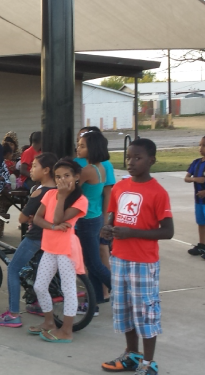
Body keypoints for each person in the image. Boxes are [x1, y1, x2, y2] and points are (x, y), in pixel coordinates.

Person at [100, 139, 173, 375]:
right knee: (124, 309)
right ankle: (132, 355)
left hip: (143, 263)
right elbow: (113, 216)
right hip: (119, 258)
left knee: (145, 311)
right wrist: (107, 229)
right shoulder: (121, 187)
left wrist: (133, 233)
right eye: (128, 157)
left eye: (137, 158)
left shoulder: (158, 192)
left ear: (151, 160)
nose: (131, 162)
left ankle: (149, 363)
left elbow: (168, 231)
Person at [0, 152, 58, 327]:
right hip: (50, 237)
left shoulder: (40, 192)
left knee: (13, 269)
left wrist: (28, 216)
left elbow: (22, 218)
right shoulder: (57, 190)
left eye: (35, 166)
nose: (31, 169)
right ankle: (37, 304)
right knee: (37, 270)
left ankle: (13, 313)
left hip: (35, 236)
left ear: (46, 170)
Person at [28, 159, 88, 344]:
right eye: (58, 177)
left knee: (68, 289)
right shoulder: (49, 194)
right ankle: (49, 322)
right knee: (39, 285)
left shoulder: (81, 200)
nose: (62, 180)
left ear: (77, 177)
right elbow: (37, 219)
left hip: (66, 249)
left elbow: (58, 217)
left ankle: (66, 330)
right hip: (50, 246)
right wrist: (53, 227)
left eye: (67, 176)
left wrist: (62, 197)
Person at [75, 126, 116, 297]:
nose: (78, 148)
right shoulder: (101, 167)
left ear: (92, 149)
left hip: (86, 219)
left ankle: (119, 291)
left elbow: (71, 190)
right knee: (93, 262)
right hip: (95, 216)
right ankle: (98, 297)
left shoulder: (87, 170)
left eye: (82, 146)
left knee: (93, 264)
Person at [185, 135, 205, 257]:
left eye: (204, 145)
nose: (201, 148)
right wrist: (197, 179)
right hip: (198, 200)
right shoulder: (196, 163)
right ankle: (202, 245)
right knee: (201, 222)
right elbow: (187, 178)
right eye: (200, 145)